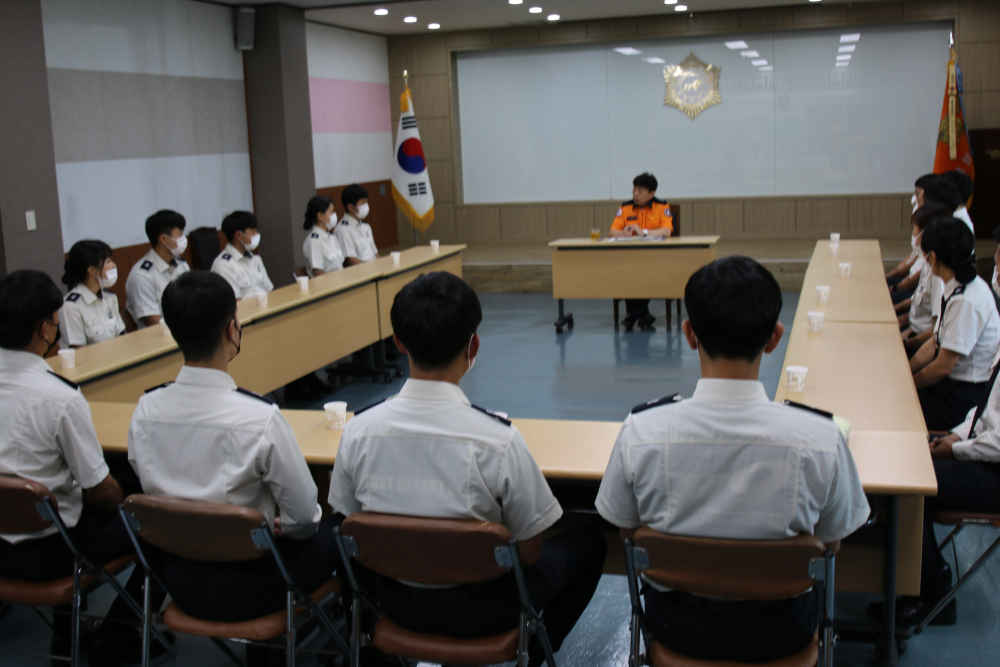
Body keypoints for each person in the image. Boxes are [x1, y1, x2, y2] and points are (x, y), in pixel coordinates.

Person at [595, 256, 870, 663]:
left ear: (689, 334)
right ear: (774, 338)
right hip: (782, 632)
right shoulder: (820, 439)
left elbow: (627, 533)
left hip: (678, 628)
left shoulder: (641, 431)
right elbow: (830, 544)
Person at [328, 272, 606, 667]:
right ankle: (536, 651)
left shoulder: (358, 433)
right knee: (591, 544)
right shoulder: (499, 441)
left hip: (396, 605)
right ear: (474, 345)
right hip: (487, 612)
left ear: (398, 342)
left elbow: (348, 525)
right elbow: (529, 552)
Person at [127, 271, 343, 665]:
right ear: (232, 329)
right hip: (256, 586)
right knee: (343, 527)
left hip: (180, 580)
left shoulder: (145, 409)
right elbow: (302, 520)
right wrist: (279, 525)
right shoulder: (260, 417)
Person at [0, 270, 168, 664]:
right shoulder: (59, 398)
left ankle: (68, 634)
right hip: (51, 552)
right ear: (45, 329)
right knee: (161, 526)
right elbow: (101, 490)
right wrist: (129, 501)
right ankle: (118, 633)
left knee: (61, 505)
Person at [875, 246, 1000, 628]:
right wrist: (959, 436)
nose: (996, 275)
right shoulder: (959, 293)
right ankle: (908, 577)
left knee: (905, 486)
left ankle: (932, 592)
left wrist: (958, 449)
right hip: (979, 446)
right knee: (903, 465)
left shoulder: (971, 300)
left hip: (992, 470)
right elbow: (986, 409)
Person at [910, 219, 1000, 431]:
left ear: (932, 258)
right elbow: (936, 340)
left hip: (964, 396)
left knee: (898, 406)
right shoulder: (957, 285)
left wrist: (907, 385)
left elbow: (944, 366)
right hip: (950, 384)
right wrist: (906, 371)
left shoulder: (967, 300)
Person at [609, 173, 674, 331]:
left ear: (651, 193)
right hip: (631, 255)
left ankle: (633, 315)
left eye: (640, 191)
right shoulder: (625, 207)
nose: (635, 194)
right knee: (628, 273)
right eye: (634, 190)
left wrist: (643, 232)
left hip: (656, 256)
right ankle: (643, 315)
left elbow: (667, 232)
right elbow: (612, 232)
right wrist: (622, 233)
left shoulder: (662, 206)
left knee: (643, 272)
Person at [897, 203, 952, 355]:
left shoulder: (939, 276)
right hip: (912, 332)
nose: (914, 236)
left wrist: (904, 343)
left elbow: (934, 333)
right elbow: (918, 304)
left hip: (920, 344)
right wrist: (902, 321)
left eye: (914, 230)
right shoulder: (930, 263)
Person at [125, 210, 190, 327]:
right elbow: (154, 322)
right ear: (164, 239)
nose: (184, 239)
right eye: (179, 234)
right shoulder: (142, 275)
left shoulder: (182, 265)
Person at [59, 240, 126, 348]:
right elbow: (79, 350)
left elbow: (120, 336)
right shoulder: (70, 306)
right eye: (108, 261)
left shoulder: (110, 297)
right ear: (92, 270)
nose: (114, 265)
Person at [888, 174, 938, 286]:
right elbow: (913, 256)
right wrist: (889, 275)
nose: (916, 198)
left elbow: (919, 277)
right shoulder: (921, 211)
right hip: (912, 279)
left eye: (918, 194)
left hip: (915, 285)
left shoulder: (931, 223)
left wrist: (896, 288)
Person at [211, 211, 273, 300]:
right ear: (239, 235)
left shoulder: (255, 258)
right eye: (253, 231)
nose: (257, 234)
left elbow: (269, 290)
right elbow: (234, 302)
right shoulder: (223, 265)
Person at [335, 184, 380, 266]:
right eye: (362, 202)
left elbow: (375, 253)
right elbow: (351, 260)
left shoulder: (365, 225)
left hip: (375, 268)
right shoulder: (343, 230)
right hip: (362, 271)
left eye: (366, 201)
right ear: (350, 207)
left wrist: (382, 266)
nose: (366, 205)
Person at [302, 196, 345, 277]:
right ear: (320, 216)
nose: (334, 214)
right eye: (331, 212)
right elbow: (319, 274)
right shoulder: (314, 241)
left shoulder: (332, 237)